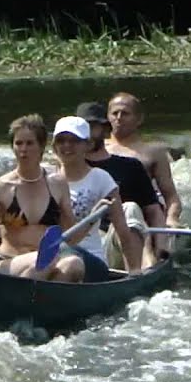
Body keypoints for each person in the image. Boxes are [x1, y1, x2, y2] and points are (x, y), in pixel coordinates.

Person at [0, 114, 87, 282]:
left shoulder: (58, 183)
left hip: (47, 261)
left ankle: (41, 302)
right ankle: (26, 299)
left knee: (74, 264)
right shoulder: (1, 186)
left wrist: (90, 221)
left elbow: (71, 236)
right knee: (42, 261)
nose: (23, 149)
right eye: (18, 143)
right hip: (9, 264)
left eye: (29, 143)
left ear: (41, 146)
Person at [76, 101, 166, 266]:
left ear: (104, 130)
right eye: (81, 129)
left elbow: (153, 211)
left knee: (130, 208)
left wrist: (161, 244)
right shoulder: (67, 170)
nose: (85, 134)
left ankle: (144, 268)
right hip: (84, 247)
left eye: (91, 127)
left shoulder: (130, 166)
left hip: (120, 243)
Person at [49, 114, 141, 274]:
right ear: (54, 146)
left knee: (69, 260)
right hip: (53, 259)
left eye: (74, 141)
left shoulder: (101, 178)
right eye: (61, 140)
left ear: (88, 145)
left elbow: (123, 233)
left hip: (90, 260)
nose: (66, 146)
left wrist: (134, 270)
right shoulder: (46, 181)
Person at [105, 92, 184, 228]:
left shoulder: (154, 152)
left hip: (143, 217)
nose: (119, 118)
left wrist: (172, 218)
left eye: (125, 113)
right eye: (115, 113)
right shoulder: (94, 149)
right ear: (107, 117)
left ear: (139, 119)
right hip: (103, 216)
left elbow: (171, 196)